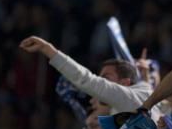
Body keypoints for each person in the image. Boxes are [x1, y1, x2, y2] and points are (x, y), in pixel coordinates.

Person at [17, 39, 157, 117]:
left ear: (125, 83)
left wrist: (46, 49)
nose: (101, 82)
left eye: (106, 78)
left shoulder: (132, 97)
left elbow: (86, 79)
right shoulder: (117, 115)